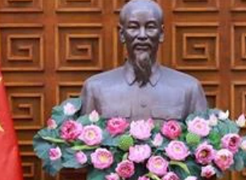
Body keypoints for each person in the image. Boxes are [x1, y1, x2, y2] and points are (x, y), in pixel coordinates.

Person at [79, 0, 207, 120]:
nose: (142, 35)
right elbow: (81, 140)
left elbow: (204, 142)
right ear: (122, 34)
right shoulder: (95, 88)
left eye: (150, 27)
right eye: (133, 27)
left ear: (161, 34)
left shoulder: (189, 89)